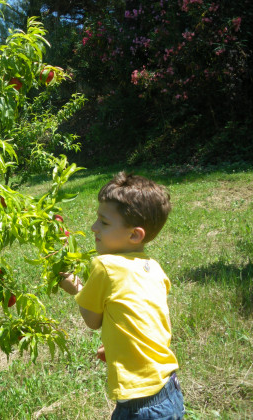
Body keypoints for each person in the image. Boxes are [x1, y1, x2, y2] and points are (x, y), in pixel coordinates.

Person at [59, 172, 184, 419]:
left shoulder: (105, 265)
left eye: (104, 223)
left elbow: (92, 320)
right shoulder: (155, 268)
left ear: (135, 234)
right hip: (169, 391)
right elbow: (155, 321)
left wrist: (75, 288)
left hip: (140, 406)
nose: (94, 227)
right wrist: (121, 346)